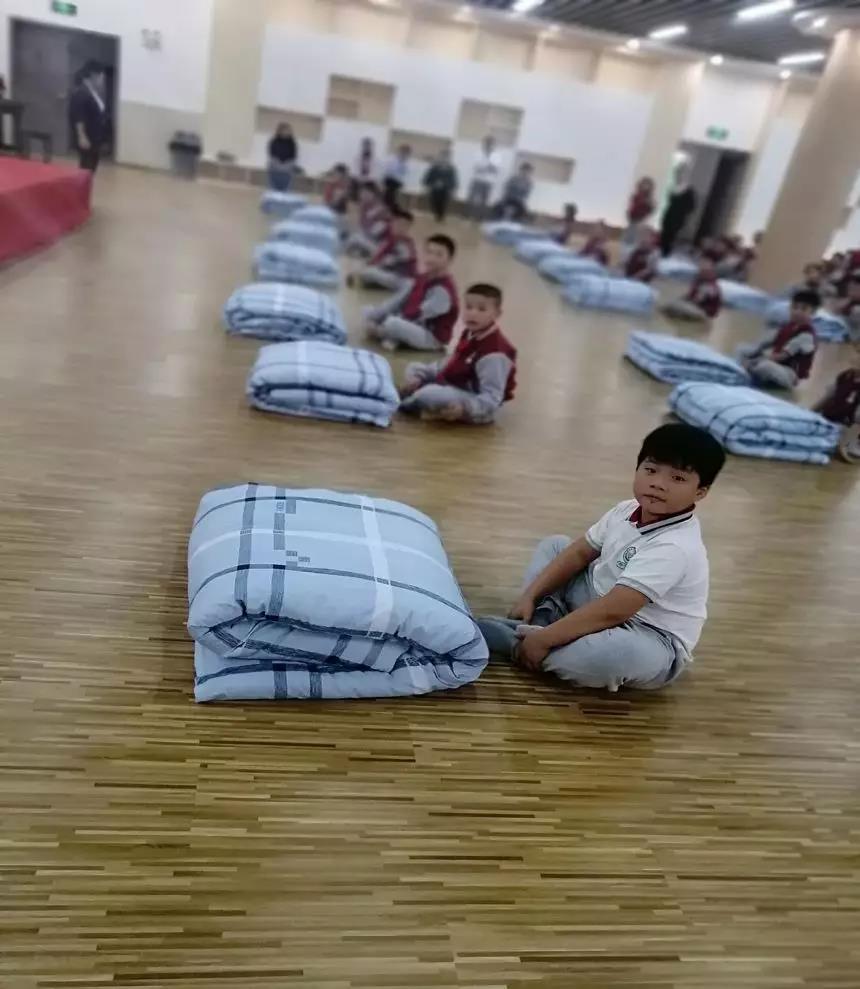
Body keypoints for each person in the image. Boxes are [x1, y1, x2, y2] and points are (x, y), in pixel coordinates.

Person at [476, 423, 726, 693]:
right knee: (555, 546)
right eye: (651, 470)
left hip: (646, 633)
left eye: (677, 478)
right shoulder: (626, 509)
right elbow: (580, 552)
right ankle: (545, 630)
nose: (658, 483)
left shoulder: (675, 546)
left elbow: (615, 610)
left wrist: (545, 640)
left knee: (608, 657)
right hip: (595, 596)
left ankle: (525, 640)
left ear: (700, 492)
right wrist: (530, 596)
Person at [399, 283, 517, 425]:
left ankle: (408, 403)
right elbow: (451, 363)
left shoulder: (494, 353)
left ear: (497, 314)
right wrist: (420, 376)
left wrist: (464, 409)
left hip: (474, 401)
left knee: (430, 393)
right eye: (468, 307)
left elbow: (491, 399)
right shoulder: (470, 333)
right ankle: (427, 403)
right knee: (414, 368)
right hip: (456, 385)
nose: (473, 313)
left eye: (482, 309)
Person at [364, 234, 459, 352]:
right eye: (429, 252)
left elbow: (418, 316)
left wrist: (383, 325)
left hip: (431, 337)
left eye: (439, 255)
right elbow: (399, 301)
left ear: (450, 260)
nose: (432, 258)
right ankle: (392, 337)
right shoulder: (422, 278)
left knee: (392, 323)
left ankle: (387, 335)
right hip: (410, 323)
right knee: (369, 312)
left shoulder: (444, 290)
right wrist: (377, 315)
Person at [738, 288, 820, 390]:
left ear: (813, 313)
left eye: (803, 309)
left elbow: (781, 357)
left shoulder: (806, 335)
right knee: (742, 350)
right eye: (795, 307)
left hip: (790, 374)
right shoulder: (788, 327)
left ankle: (754, 375)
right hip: (777, 365)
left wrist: (754, 361)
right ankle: (751, 372)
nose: (797, 312)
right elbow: (766, 343)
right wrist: (753, 354)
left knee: (764, 366)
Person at [348, 208, 417, 291]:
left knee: (372, 272)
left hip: (402, 279)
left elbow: (391, 262)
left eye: (404, 225)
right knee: (369, 268)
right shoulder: (392, 239)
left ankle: (364, 279)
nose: (399, 227)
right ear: (393, 223)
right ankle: (370, 281)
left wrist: (371, 265)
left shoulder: (405, 244)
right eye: (397, 223)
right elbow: (379, 254)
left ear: (408, 227)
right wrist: (369, 263)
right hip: (391, 273)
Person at [69, 60, 109, 173]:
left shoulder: (92, 92)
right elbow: (79, 116)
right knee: (86, 168)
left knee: (91, 168)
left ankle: (86, 184)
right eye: (101, 77)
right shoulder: (82, 92)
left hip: (94, 138)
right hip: (87, 138)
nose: (102, 80)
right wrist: (82, 136)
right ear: (94, 75)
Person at [661, 258, 722, 322]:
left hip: (704, 313)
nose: (699, 272)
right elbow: (690, 296)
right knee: (675, 304)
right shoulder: (700, 281)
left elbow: (696, 301)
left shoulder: (709, 286)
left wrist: (683, 303)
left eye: (702, 271)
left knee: (677, 307)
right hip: (698, 308)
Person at [660, 163, 697, 257]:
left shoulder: (689, 190)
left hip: (679, 218)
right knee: (664, 236)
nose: (680, 175)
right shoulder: (672, 187)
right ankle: (661, 255)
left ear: (686, 175)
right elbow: (670, 201)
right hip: (668, 214)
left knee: (671, 239)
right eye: (678, 173)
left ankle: (666, 256)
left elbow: (692, 207)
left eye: (683, 173)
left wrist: (684, 215)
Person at [344, 182, 390, 257]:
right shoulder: (363, 206)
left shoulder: (379, 207)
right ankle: (362, 250)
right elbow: (362, 225)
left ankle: (367, 250)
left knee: (355, 238)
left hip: (380, 242)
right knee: (352, 236)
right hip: (368, 237)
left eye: (366, 193)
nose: (363, 196)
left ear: (374, 194)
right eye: (362, 193)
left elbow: (379, 229)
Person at [466, 135, 501, 221]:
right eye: (487, 143)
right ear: (484, 143)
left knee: (484, 201)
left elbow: (496, 170)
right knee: (471, 199)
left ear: (494, 145)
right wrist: (488, 167)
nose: (489, 145)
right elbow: (476, 168)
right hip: (477, 179)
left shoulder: (497, 155)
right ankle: (467, 215)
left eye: (491, 143)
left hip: (488, 181)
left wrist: (486, 167)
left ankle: (479, 218)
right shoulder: (478, 153)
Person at [422, 148, 459, 222]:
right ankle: (437, 213)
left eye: (446, 157)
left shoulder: (451, 168)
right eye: (443, 156)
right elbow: (428, 177)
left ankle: (440, 216)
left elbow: (453, 180)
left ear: (449, 158)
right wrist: (431, 184)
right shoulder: (434, 167)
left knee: (443, 203)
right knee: (434, 202)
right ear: (440, 157)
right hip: (434, 188)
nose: (444, 158)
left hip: (445, 189)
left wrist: (446, 185)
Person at [624, 177, 655, 245]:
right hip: (633, 218)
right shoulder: (637, 195)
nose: (646, 187)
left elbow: (651, 209)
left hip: (641, 219)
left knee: (637, 236)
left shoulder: (649, 198)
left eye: (648, 185)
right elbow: (632, 206)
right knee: (630, 236)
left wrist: (649, 206)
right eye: (644, 184)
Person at [267, 122, 297, 191]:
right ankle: (273, 191)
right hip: (275, 165)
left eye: (287, 130)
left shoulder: (292, 143)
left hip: (287, 166)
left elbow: (293, 156)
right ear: (279, 131)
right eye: (284, 130)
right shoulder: (274, 141)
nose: (286, 132)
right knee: (272, 163)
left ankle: (284, 191)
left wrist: (285, 165)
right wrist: (278, 164)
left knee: (290, 167)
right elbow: (272, 154)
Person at [382, 144, 411, 209]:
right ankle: (388, 204)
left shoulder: (406, 162)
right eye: (403, 152)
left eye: (406, 153)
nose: (404, 154)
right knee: (391, 190)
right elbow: (389, 170)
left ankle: (388, 204)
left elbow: (404, 174)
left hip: (397, 181)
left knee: (392, 191)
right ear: (400, 151)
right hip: (389, 178)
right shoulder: (392, 159)